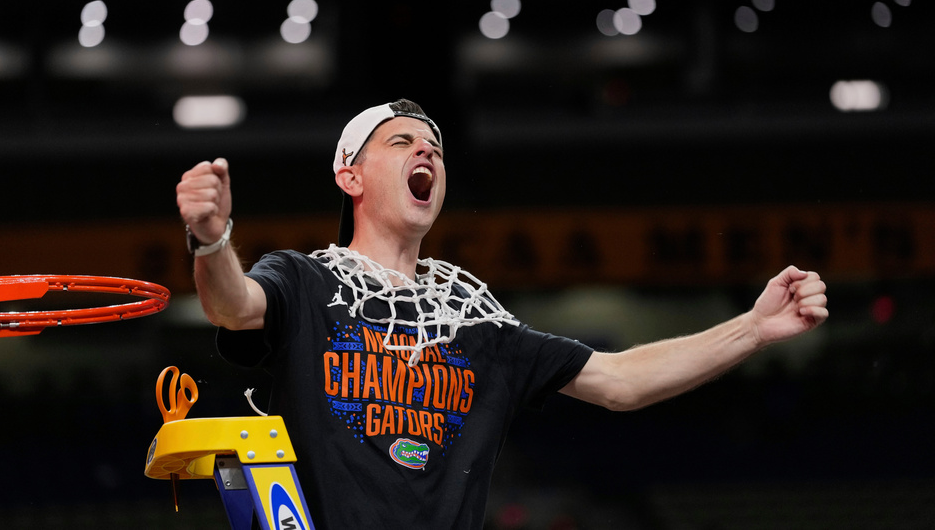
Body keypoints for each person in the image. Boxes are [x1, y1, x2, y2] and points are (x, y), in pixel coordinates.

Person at [176, 99, 828, 529]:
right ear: (351, 175)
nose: (426, 152)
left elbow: (621, 381)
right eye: (401, 141)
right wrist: (212, 237)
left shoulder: (476, 320)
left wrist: (754, 327)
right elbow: (233, 306)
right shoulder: (306, 279)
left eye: (434, 146)